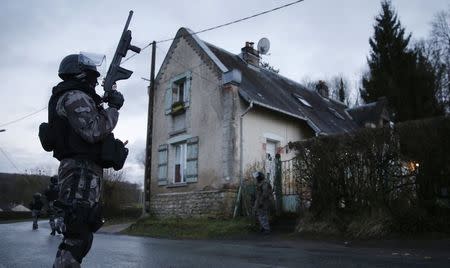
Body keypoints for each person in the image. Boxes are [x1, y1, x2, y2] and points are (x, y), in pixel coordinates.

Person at [38, 52, 127, 267]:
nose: (95, 81)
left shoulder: (78, 95)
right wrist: (113, 109)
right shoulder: (74, 96)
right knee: (78, 236)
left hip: (84, 171)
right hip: (80, 171)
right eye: (92, 76)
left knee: (82, 233)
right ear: (79, 74)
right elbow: (94, 130)